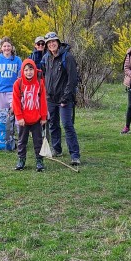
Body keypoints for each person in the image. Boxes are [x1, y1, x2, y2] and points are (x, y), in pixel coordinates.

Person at [43, 31, 81, 166]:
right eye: (49, 43)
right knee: (53, 124)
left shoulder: (67, 57)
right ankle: (57, 149)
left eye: (54, 41)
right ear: (47, 45)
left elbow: (72, 80)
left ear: (58, 43)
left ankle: (75, 155)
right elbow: (44, 74)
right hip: (51, 98)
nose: (52, 44)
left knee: (67, 125)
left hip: (64, 99)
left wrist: (66, 98)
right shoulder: (46, 57)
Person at [12, 58, 48, 171]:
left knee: (38, 141)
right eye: (26, 70)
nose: (29, 72)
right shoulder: (18, 83)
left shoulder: (40, 83)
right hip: (23, 120)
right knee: (22, 141)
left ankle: (39, 160)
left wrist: (43, 117)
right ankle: (21, 160)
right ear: (22, 71)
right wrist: (19, 117)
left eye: (31, 69)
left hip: (36, 118)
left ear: (35, 70)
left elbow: (43, 101)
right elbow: (16, 102)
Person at [0, 37, 22, 115]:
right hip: (0, 92)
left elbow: (21, 77)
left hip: (13, 91)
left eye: (8, 46)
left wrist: (20, 90)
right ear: (1, 48)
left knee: (15, 112)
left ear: (12, 47)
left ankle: (13, 127)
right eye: (4, 46)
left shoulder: (17, 60)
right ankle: (2, 127)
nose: (7, 48)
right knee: (1, 114)